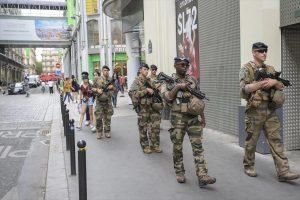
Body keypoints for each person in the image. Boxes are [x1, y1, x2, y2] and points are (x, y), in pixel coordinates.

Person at [239, 42, 299, 181]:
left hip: (270, 109)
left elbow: (280, 86)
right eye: (260, 51)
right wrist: (260, 84)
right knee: (251, 141)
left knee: (275, 139)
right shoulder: (246, 69)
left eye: (265, 51)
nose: (264, 53)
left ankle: (283, 171)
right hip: (255, 110)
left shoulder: (270, 69)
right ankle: (249, 166)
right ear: (254, 53)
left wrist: (274, 83)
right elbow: (243, 90)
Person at [161, 57, 215, 187]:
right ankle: (179, 172)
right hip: (178, 117)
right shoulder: (167, 81)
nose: (185, 67)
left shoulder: (193, 80)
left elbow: (198, 101)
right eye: (182, 64)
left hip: (193, 117)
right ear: (175, 65)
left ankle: (202, 175)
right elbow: (167, 97)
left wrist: (202, 116)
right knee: (178, 146)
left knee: (198, 146)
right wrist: (178, 86)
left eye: (186, 65)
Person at [129, 64, 162, 154]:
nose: (147, 71)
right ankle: (145, 146)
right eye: (144, 69)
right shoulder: (137, 81)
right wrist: (145, 91)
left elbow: (155, 89)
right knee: (143, 128)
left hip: (152, 107)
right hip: (143, 108)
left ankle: (155, 145)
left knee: (155, 126)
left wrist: (157, 87)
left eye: (147, 69)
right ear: (140, 70)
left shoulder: (149, 80)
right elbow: (132, 93)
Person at [92, 66, 114, 139]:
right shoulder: (97, 79)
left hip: (108, 101)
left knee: (108, 117)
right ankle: (99, 132)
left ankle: (107, 131)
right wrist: (97, 90)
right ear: (102, 71)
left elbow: (115, 89)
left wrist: (112, 87)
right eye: (105, 70)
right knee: (98, 117)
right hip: (99, 101)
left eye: (107, 70)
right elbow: (92, 88)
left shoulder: (110, 79)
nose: (106, 72)